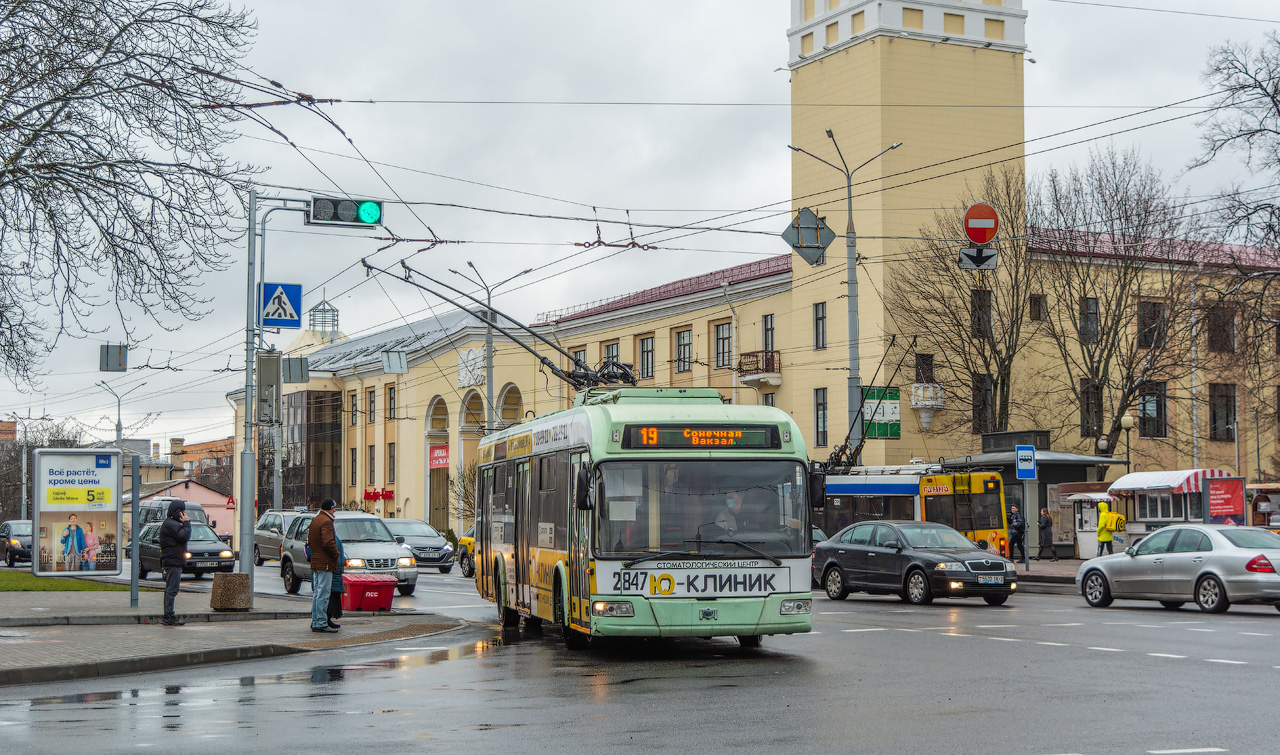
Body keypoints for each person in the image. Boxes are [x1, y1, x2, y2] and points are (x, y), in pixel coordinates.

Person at [308, 499, 341, 633]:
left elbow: (310, 541)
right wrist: (336, 553)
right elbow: (328, 542)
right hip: (325, 563)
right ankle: (321, 623)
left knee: (317, 593)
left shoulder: (315, 519)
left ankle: (316, 621)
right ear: (329, 508)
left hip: (316, 562)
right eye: (333, 508)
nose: (334, 510)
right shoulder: (326, 521)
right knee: (323, 594)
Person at [158, 500, 191, 626]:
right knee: (172, 589)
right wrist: (187, 523)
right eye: (183, 512)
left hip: (173, 559)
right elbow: (184, 536)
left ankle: (169, 615)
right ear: (178, 512)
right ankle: (169, 616)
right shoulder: (172, 524)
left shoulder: (170, 523)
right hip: (173, 561)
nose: (184, 514)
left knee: (171, 589)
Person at [328, 528, 345, 630]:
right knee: (330, 596)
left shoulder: (332, 536)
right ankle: (325, 619)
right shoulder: (329, 535)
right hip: (332, 570)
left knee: (332, 596)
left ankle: (327, 619)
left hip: (335, 570)